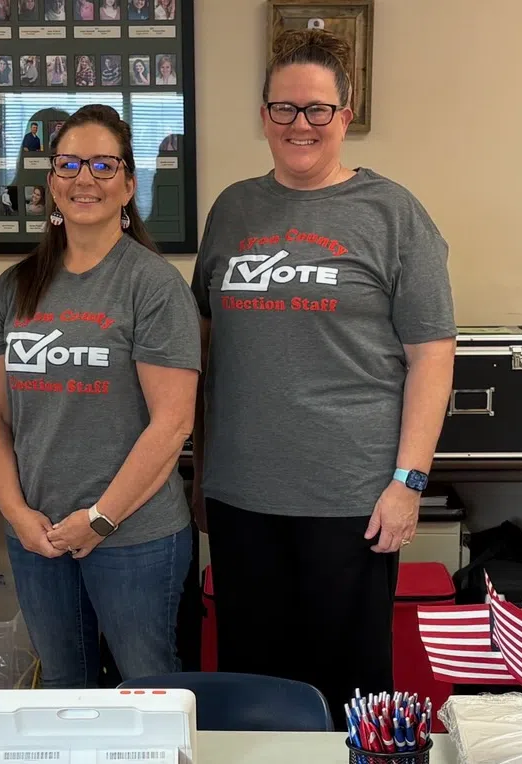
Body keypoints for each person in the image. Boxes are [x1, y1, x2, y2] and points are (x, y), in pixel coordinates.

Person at [190, 28, 455, 717]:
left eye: (316, 110)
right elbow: (204, 344)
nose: (298, 125)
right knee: (254, 685)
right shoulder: (232, 211)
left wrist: (408, 482)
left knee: (347, 692)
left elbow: (432, 354)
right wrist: (199, 471)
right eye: (284, 108)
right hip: (243, 494)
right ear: (263, 115)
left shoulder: (393, 215)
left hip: (352, 497)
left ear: (345, 114)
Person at [0, 105, 198, 686]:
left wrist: (99, 520)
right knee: (62, 696)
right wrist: (17, 515)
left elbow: (172, 425)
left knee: (150, 691)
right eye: (69, 164)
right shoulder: (15, 288)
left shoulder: (152, 285)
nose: (84, 179)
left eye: (104, 165)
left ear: (128, 184)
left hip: (135, 537)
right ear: (50, 181)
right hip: (39, 536)